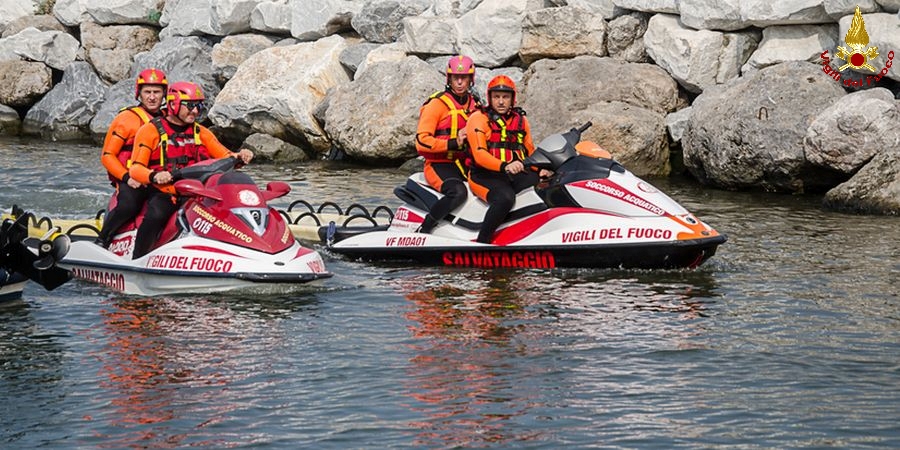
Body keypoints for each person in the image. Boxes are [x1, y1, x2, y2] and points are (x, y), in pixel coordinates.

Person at [128, 81, 253, 259]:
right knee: (156, 215)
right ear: (173, 104)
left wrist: (240, 157)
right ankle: (138, 257)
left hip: (199, 192)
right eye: (190, 106)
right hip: (166, 191)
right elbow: (135, 169)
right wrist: (155, 176)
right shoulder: (150, 131)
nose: (195, 111)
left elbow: (225, 156)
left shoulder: (201, 133)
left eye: (199, 106)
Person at [465, 75, 551, 244]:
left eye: (505, 97)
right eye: (496, 97)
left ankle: (540, 232)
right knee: (505, 198)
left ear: (513, 99)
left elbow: (529, 150)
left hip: (513, 173)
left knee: (549, 185)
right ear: (490, 98)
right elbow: (480, 155)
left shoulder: (521, 120)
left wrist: (540, 169)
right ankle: (483, 242)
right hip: (483, 175)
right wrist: (505, 166)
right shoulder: (478, 119)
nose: (501, 102)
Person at [95, 68, 168, 247]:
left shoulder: (170, 119)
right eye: (147, 92)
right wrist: (127, 178)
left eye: (157, 92)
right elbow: (107, 156)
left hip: (159, 177)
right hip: (131, 178)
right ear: (139, 94)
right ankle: (102, 239)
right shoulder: (126, 119)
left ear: (164, 94)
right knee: (129, 205)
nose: (152, 97)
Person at [414, 55, 481, 233]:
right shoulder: (436, 104)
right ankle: (426, 227)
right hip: (439, 164)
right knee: (459, 192)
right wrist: (453, 143)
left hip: (466, 164)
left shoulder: (477, 105)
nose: (459, 82)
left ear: (470, 80)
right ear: (449, 78)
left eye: (464, 78)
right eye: (455, 78)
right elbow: (421, 143)